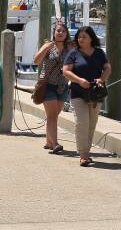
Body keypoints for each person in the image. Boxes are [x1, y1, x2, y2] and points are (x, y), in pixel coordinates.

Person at [62, 26, 111, 167]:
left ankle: (86, 152)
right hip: (78, 93)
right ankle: (83, 154)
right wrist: (79, 80)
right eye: (79, 36)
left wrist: (102, 79)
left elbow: (107, 68)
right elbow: (65, 71)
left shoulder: (99, 53)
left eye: (84, 36)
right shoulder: (73, 54)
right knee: (82, 122)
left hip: (95, 94)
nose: (80, 39)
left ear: (91, 38)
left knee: (91, 124)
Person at [33, 20, 73, 154]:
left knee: (54, 115)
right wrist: (45, 48)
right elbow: (36, 61)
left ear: (66, 34)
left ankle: (48, 141)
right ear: (54, 33)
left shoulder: (70, 48)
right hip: (48, 84)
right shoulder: (48, 45)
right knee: (51, 116)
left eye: (63, 31)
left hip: (62, 86)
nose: (60, 33)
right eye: (58, 31)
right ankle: (55, 144)